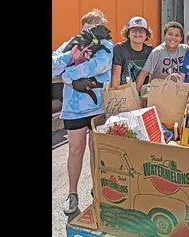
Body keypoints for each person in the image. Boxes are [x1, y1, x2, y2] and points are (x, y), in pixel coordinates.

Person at [51, 9, 114, 215]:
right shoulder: (73, 43)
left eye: (94, 28)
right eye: (86, 28)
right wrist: (71, 52)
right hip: (74, 109)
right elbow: (53, 66)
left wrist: (67, 76)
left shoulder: (106, 45)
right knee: (75, 151)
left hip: (98, 107)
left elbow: (99, 67)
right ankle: (72, 193)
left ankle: (98, 190)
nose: (89, 33)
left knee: (97, 151)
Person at [135, 21, 189, 91]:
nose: (173, 38)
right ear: (164, 35)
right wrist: (135, 97)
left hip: (178, 90)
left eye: (176, 35)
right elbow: (143, 74)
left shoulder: (185, 49)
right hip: (159, 90)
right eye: (170, 34)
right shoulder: (157, 52)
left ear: (181, 38)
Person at [111, 16, 154, 86]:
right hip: (124, 90)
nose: (137, 33)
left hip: (144, 90)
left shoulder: (150, 50)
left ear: (147, 34)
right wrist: (116, 94)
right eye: (134, 30)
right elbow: (116, 76)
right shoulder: (119, 48)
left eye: (141, 31)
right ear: (128, 34)